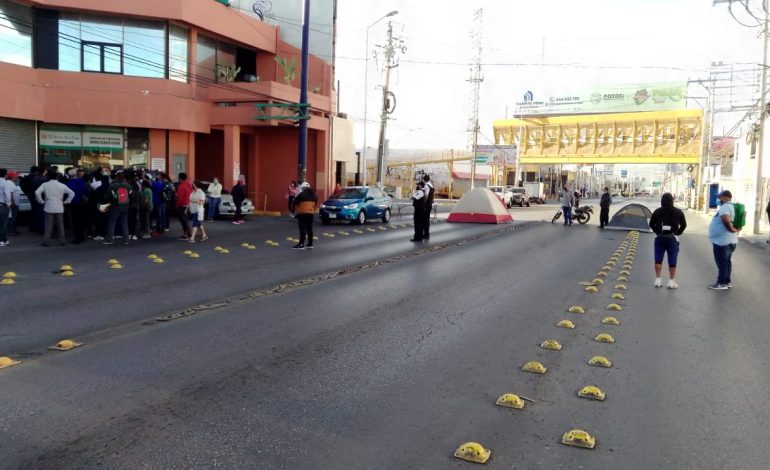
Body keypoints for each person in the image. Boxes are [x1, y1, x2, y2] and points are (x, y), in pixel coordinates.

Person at [649, 193, 687, 289]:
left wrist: (656, 231)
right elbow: (684, 225)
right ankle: (671, 281)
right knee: (672, 260)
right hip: (672, 239)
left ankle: (658, 280)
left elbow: (651, 224)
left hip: (659, 238)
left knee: (658, 259)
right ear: (672, 201)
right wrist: (677, 232)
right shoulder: (678, 212)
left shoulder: (657, 211)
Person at [708, 190, 740, 290]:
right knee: (727, 262)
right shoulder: (732, 207)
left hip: (722, 242)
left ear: (725, 197)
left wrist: (731, 229)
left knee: (722, 263)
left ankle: (721, 283)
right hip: (730, 240)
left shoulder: (725, 207)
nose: (719, 199)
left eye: (720, 197)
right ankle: (727, 282)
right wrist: (734, 230)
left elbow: (726, 220)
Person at [35, 169, 75, 247]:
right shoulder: (62, 185)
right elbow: (72, 193)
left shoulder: (45, 184)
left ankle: (46, 241)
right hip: (59, 206)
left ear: (49, 177)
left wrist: (41, 201)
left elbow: (37, 192)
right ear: (57, 177)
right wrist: (67, 201)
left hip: (48, 206)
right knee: (60, 224)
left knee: (48, 225)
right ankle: (62, 240)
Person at [103, 172, 131, 245]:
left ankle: (110, 239)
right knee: (124, 223)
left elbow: (107, 196)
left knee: (112, 222)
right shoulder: (128, 185)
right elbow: (131, 195)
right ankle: (126, 240)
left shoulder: (113, 186)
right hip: (125, 205)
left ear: (116, 177)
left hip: (116, 206)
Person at [292, 181, 318, 249]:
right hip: (311, 214)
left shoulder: (301, 194)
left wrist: (295, 212)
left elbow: (294, 203)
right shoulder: (315, 195)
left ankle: (301, 244)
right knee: (309, 229)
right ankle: (310, 244)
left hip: (302, 214)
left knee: (302, 229)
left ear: (303, 188)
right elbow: (315, 206)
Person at [66, 168, 88, 244]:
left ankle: (77, 238)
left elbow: (67, 193)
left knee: (75, 221)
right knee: (81, 220)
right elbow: (83, 191)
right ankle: (82, 236)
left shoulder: (69, 183)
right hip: (81, 203)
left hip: (73, 203)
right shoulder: (81, 181)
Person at [175, 172, 194, 239]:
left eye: (178, 177)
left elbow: (180, 197)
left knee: (183, 220)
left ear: (180, 178)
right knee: (185, 219)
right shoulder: (189, 184)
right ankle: (189, 233)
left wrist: (177, 204)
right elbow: (192, 193)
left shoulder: (181, 186)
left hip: (182, 205)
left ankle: (187, 233)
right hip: (188, 204)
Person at [6, 171, 22, 236]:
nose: (17, 177)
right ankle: (11, 231)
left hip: (14, 203)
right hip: (13, 204)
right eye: (16, 176)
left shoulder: (11, 183)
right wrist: (13, 202)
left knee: (13, 217)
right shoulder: (9, 183)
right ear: (13, 176)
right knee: (12, 218)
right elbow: (10, 193)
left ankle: (13, 230)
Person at [0, 169, 12, 247]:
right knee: (3, 224)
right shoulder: (5, 183)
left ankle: (5, 239)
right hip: (3, 205)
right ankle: (1, 240)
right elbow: (7, 195)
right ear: (5, 175)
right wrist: (9, 204)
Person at [422, 174, 434, 240]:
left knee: (425, 220)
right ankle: (427, 234)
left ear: (424, 180)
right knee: (427, 220)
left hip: (426, 205)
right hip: (430, 204)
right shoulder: (431, 185)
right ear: (429, 179)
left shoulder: (426, 185)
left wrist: (424, 204)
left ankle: (426, 234)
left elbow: (426, 196)